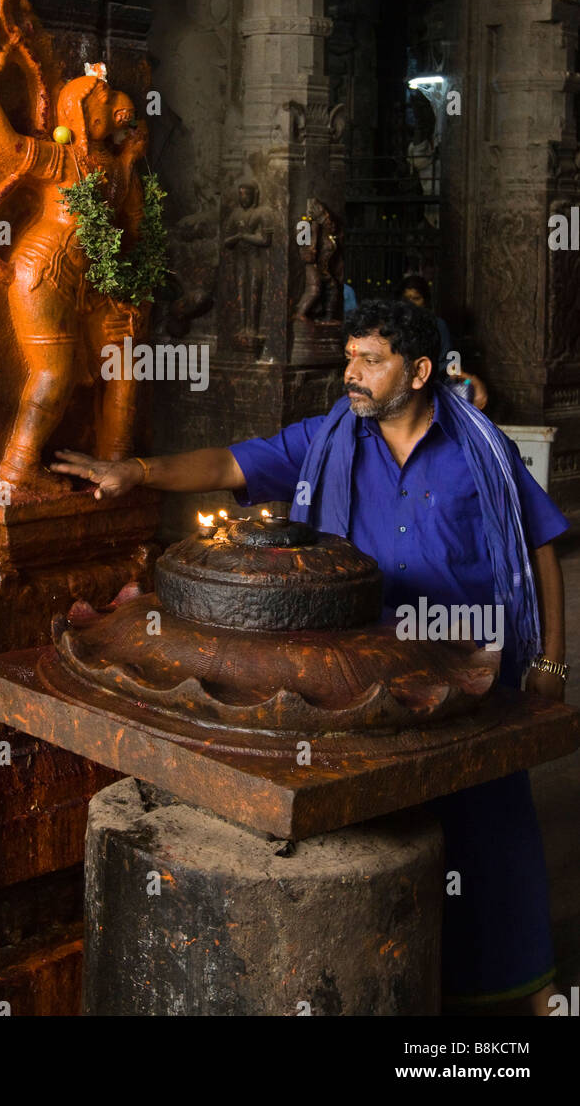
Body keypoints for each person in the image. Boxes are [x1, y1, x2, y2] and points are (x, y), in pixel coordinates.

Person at [51, 298, 570, 1015]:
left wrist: (551, 662)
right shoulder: (330, 438)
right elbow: (232, 462)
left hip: (471, 669)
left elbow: (538, 542)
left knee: (493, 835)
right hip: (371, 676)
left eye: (369, 360)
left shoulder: (480, 450)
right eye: (350, 357)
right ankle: (416, 980)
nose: (350, 374)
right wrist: (137, 471)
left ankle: (527, 990)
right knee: (397, 828)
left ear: (419, 372)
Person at [397, 273, 488, 411]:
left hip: (431, 387)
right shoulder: (392, 327)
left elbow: (451, 362)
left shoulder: (438, 325)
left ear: (426, 301)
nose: (410, 304)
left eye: (416, 298)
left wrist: (471, 381)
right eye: (406, 299)